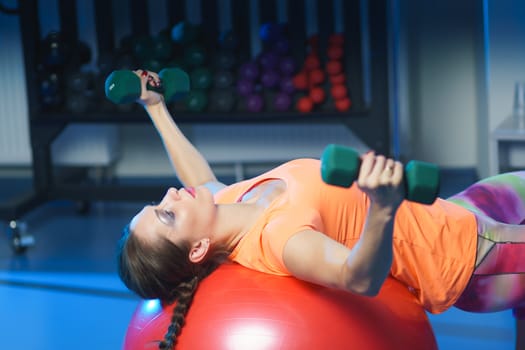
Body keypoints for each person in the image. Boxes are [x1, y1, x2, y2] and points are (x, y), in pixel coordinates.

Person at [116, 70, 525, 350]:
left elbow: (197, 176)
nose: (171, 194)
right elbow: (357, 278)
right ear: (198, 248)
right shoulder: (281, 241)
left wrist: (154, 106)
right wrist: (382, 208)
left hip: (459, 211)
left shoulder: (228, 201)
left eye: (156, 204)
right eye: (167, 216)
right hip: (471, 256)